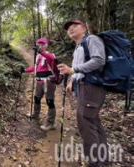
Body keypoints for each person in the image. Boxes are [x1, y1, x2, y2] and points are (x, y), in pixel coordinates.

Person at [58, 20, 109, 167]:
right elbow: (77, 68)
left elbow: (99, 60)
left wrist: (73, 70)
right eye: (68, 29)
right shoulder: (78, 46)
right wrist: (71, 82)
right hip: (83, 87)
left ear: (84, 28)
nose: (71, 29)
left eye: (74, 27)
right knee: (92, 122)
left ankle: (94, 162)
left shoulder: (92, 39)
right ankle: (103, 161)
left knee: (85, 123)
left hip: (91, 87)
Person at [21, 38, 57, 131]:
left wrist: (41, 52)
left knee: (50, 101)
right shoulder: (38, 56)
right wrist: (25, 70)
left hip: (48, 82)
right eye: (39, 44)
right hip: (39, 81)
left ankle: (50, 123)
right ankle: (36, 114)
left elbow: (52, 58)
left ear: (46, 45)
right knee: (36, 98)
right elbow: (34, 67)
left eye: (42, 44)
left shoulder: (50, 55)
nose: (40, 46)